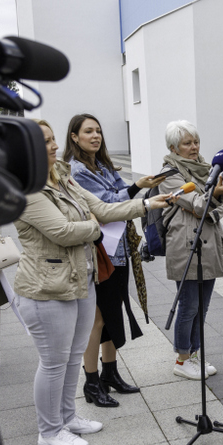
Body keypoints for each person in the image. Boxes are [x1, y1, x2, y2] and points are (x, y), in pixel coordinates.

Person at [14, 119, 173, 445]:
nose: (54, 145)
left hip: (79, 279)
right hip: (46, 289)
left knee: (73, 357)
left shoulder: (61, 176)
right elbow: (62, 231)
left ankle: (67, 417)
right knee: (53, 362)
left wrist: (146, 204)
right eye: (45, 141)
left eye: (53, 139)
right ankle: (49, 431)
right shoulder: (27, 190)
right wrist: (95, 227)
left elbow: (101, 208)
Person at [65, 113, 161, 407]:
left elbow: (120, 194)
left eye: (98, 131)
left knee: (112, 313)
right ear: (74, 137)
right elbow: (106, 205)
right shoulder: (77, 170)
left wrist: (137, 185)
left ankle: (110, 373)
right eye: (88, 131)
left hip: (118, 247)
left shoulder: (103, 164)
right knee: (96, 318)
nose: (96, 136)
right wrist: (137, 191)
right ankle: (91, 382)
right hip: (99, 252)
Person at [158, 120, 223, 380]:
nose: (194, 147)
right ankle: (182, 359)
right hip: (186, 246)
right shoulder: (168, 175)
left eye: (196, 141)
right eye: (187, 143)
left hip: (208, 244)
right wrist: (211, 200)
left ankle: (195, 354)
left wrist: (211, 203)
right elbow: (198, 205)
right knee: (189, 305)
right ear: (173, 148)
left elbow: (221, 205)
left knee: (203, 306)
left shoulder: (207, 168)